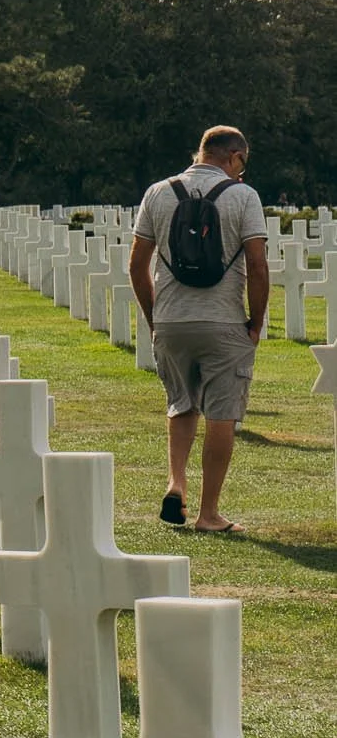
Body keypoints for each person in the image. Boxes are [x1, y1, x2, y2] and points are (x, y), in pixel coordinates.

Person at [129, 124, 269, 532]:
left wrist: (156, 318)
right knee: (222, 415)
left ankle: (177, 483)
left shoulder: (158, 192)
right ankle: (208, 514)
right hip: (224, 320)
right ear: (235, 157)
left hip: (172, 319)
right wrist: (255, 321)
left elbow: (137, 265)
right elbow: (257, 266)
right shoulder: (243, 196)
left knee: (181, 404)